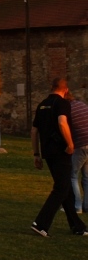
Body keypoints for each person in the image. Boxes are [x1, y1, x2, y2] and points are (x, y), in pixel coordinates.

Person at [31, 77, 87, 236]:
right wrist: (70, 144)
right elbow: (62, 122)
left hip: (47, 152)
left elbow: (34, 131)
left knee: (66, 188)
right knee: (61, 189)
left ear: (51, 87)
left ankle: (77, 226)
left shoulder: (42, 105)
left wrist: (36, 154)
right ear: (66, 89)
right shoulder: (62, 104)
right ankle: (41, 223)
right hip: (60, 151)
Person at [70, 90, 88, 214]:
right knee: (86, 177)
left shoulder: (68, 109)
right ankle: (86, 206)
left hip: (81, 144)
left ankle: (77, 206)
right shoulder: (83, 105)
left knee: (72, 175)